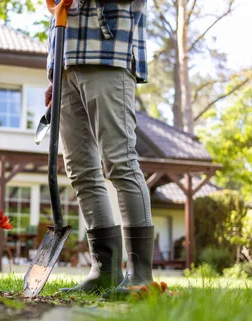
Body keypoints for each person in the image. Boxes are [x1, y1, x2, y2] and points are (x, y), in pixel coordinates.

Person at [45, 0, 154, 297]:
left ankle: (140, 276)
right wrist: (54, 74)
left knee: (120, 163)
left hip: (108, 54)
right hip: (66, 66)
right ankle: (103, 272)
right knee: (81, 172)